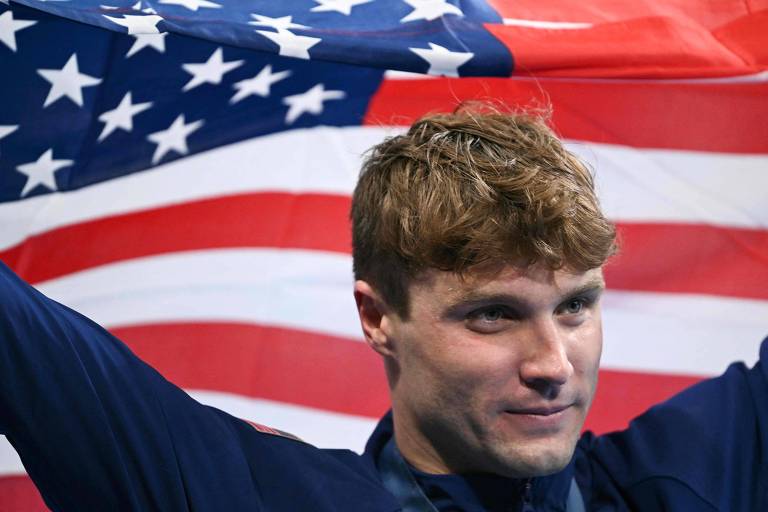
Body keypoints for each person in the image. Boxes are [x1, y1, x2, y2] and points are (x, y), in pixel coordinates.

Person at [0, 107, 765, 511]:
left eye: (574, 306)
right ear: (376, 317)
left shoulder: (681, 483)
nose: (552, 365)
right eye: (492, 315)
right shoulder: (255, 495)